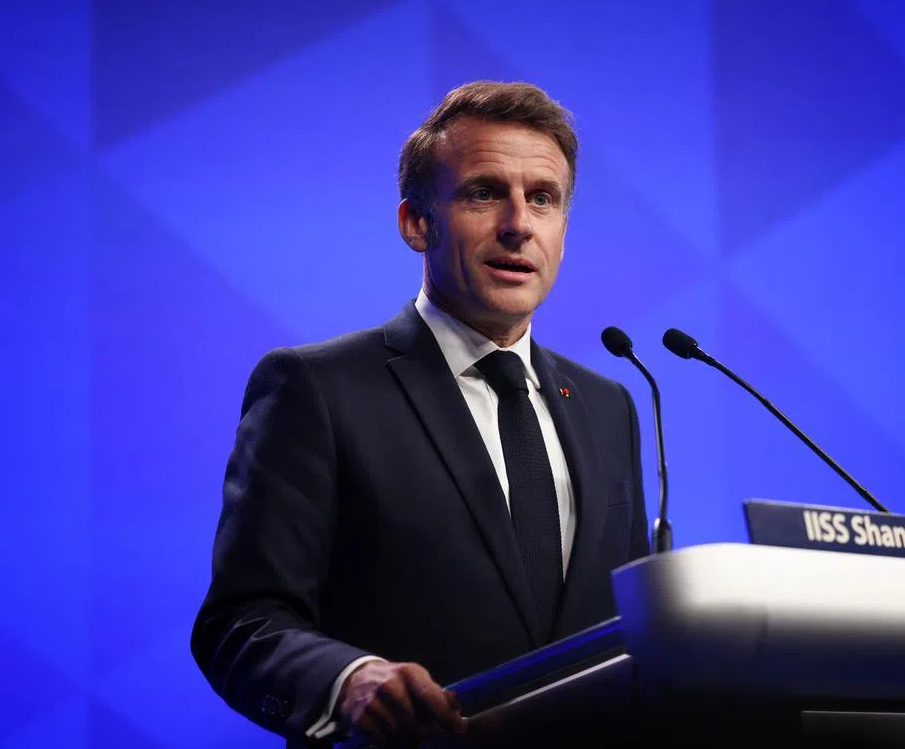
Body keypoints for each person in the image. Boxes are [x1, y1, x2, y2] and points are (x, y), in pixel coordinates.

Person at [190, 80, 651, 747]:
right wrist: (346, 681)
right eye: (484, 193)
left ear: (562, 228)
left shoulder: (610, 407)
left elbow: (630, 634)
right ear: (416, 223)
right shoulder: (316, 389)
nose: (519, 223)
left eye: (542, 198)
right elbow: (241, 624)